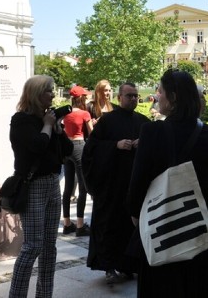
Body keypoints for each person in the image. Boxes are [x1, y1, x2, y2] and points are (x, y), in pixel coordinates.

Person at [128, 69, 208, 297]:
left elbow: (137, 184)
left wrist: (135, 214)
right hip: (198, 230)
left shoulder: (152, 132)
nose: (157, 96)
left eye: (160, 91)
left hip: (163, 229)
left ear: (174, 97)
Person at [83, 82, 149, 285]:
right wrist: (115, 146)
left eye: (136, 96)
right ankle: (109, 266)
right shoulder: (107, 121)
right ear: (119, 97)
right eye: (129, 96)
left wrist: (143, 143)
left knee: (131, 228)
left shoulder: (143, 122)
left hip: (134, 185)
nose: (133, 99)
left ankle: (130, 265)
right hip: (112, 185)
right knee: (110, 226)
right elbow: (91, 150)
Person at [7, 74, 65, 298]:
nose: (52, 94)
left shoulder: (48, 119)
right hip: (33, 186)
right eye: (48, 90)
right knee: (33, 246)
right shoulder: (21, 120)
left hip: (52, 183)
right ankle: (17, 295)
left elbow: (65, 151)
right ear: (35, 94)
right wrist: (48, 126)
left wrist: (57, 130)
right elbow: (38, 146)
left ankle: (44, 294)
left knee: (49, 247)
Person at [61, 85, 92, 237]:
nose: (86, 98)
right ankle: (80, 225)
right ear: (80, 98)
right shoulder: (85, 113)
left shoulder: (65, 113)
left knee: (68, 187)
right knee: (83, 187)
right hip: (79, 146)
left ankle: (67, 223)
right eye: (85, 96)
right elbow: (92, 132)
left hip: (67, 148)